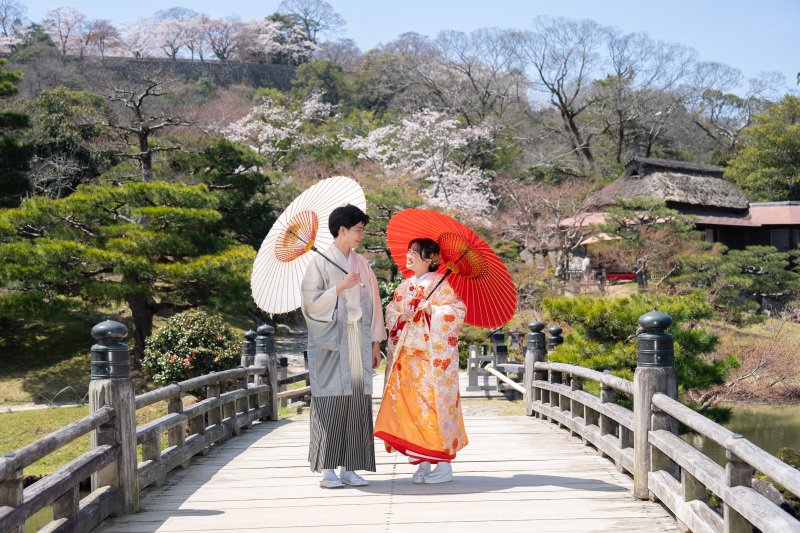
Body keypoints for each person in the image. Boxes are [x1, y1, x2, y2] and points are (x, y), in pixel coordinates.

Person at [301, 204, 386, 489]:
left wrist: (375, 343)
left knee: (356, 400)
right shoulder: (319, 262)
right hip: (330, 341)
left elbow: (373, 303)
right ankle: (328, 470)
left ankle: (351, 468)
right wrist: (339, 287)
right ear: (342, 230)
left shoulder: (362, 264)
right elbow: (310, 302)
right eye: (358, 230)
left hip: (357, 338)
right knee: (331, 399)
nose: (361, 235)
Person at [374, 238, 468, 484]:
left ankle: (444, 465)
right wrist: (402, 316)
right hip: (408, 360)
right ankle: (423, 462)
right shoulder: (404, 286)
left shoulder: (443, 284)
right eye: (409, 251)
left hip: (432, 362)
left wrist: (433, 311)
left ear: (430, 259)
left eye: (414, 253)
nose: (409, 256)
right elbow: (391, 312)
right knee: (412, 410)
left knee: (435, 409)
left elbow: (457, 313)